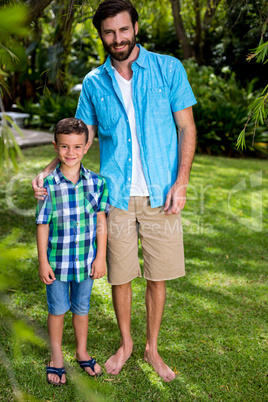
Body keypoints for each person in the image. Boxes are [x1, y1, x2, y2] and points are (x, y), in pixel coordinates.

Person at [32, 0, 197, 382]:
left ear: (135, 27)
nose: (117, 38)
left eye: (123, 29)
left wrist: (182, 181)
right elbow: (79, 137)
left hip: (162, 191)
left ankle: (152, 349)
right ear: (102, 35)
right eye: (109, 32)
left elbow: (186, 128)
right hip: (115, 195)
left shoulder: (168, 68)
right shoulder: (93, 82)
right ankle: (125, 344)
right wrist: (46, 171)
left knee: (158, 275)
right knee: (120, 276)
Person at [36, 118, 110, 385]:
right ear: (56, 147)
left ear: (87, 147)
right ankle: (56, 357)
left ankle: (81, 351)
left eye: (77, 147)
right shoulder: (49, 186)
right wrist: (43, 261)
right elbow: (42, 224)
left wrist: (100, 257)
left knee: (82, 308)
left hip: (86, 263)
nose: (71, 153)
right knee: (57, 309)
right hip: (57, 262)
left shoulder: (97, 184)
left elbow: (101, 222)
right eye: (65, 147)